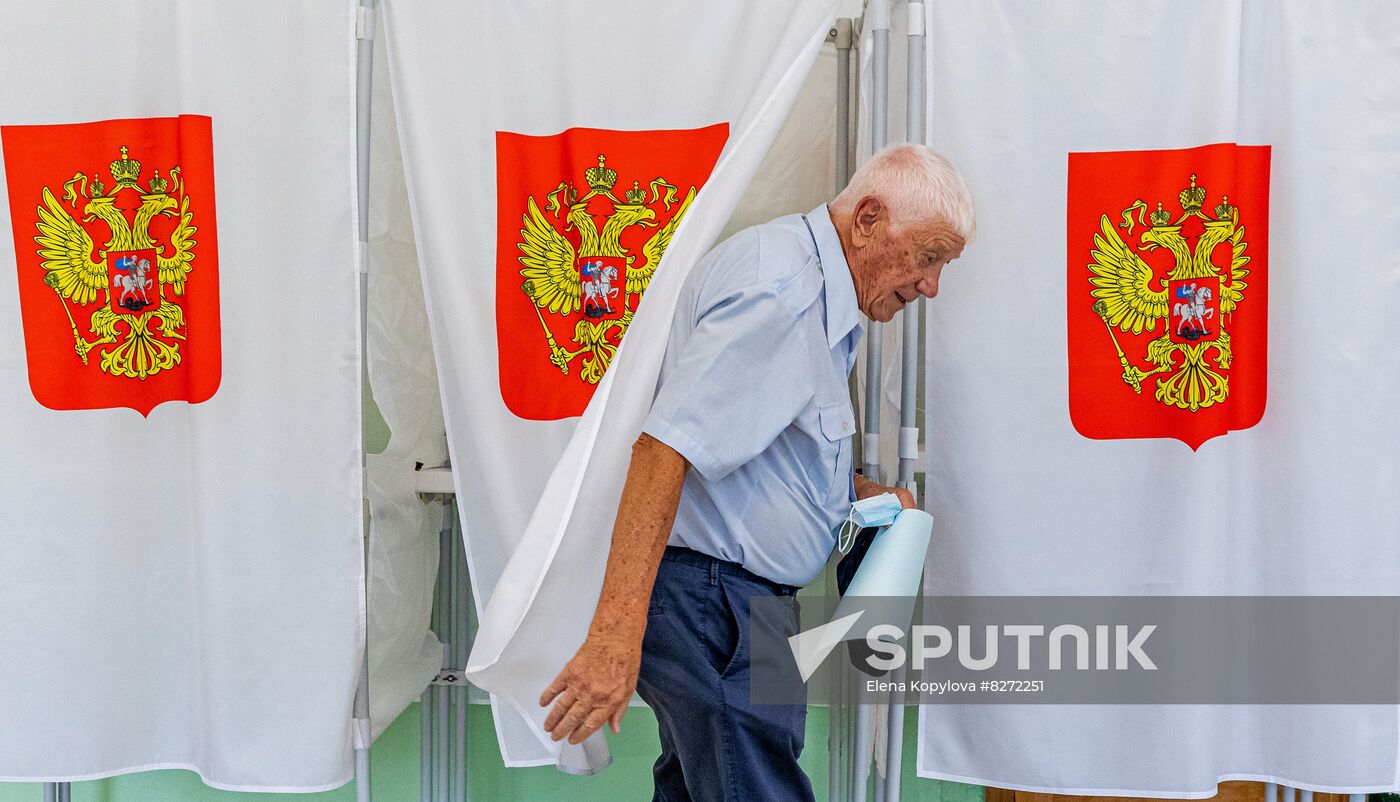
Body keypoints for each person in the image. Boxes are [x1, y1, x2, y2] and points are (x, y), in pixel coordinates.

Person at [539, 144, 976, 801]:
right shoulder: (783, 293)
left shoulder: (812, 289)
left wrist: (861, 496)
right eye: (929, 256)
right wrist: (612, 637)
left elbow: (766, 454)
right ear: (868, 220)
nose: (932, 285)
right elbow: (664, 449)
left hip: (737, 608)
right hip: (717, 609)